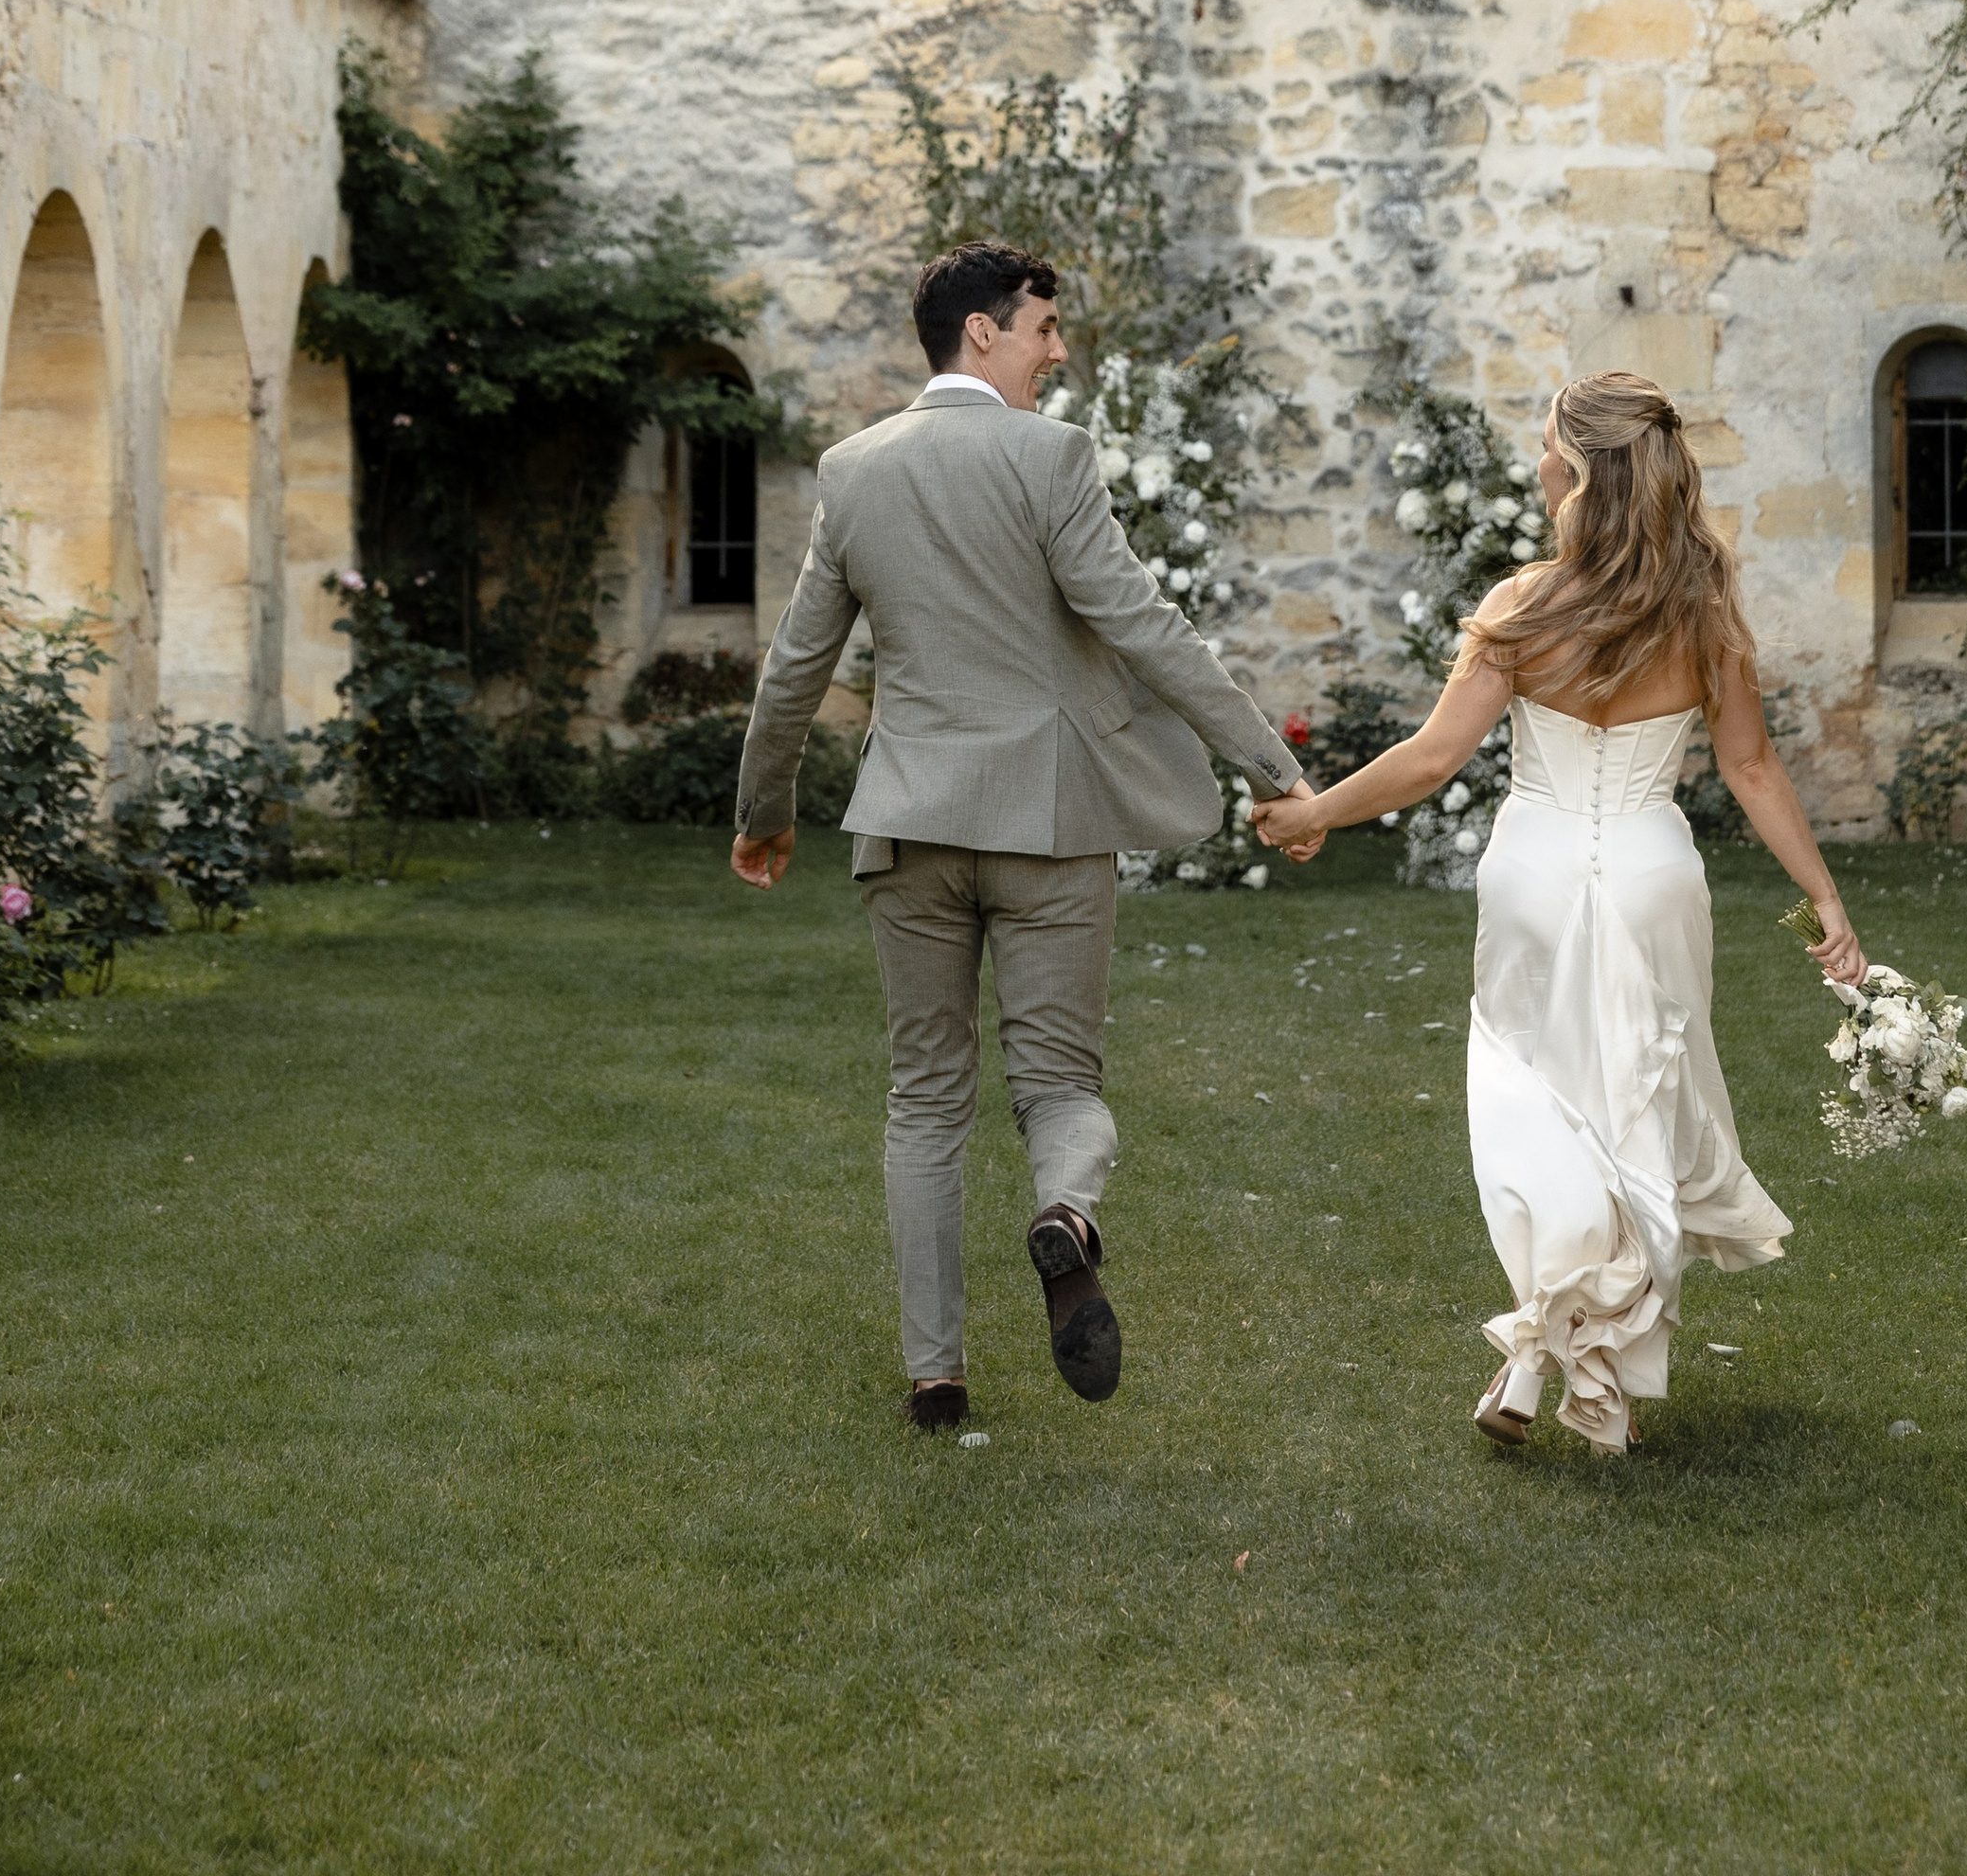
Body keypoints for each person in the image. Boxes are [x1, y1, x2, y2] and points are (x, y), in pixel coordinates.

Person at [731, 241, 1321, 1433]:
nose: (1059, 351)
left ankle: (935, 1376)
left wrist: (764, 812)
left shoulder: (853, 472)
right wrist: (1274, 769)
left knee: (925, 1100)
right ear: (981, 333)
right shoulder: (1050, 458)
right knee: (1058, 1083)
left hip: (905, 829)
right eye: (1045, 327)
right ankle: (1066, 1216)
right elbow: (1144, 627)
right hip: (1051, 827)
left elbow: (798, 664)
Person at [1257, 366, 1863, 1456]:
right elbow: (1753, 766)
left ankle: (1544, 1364)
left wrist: (1316, 813)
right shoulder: (1703, 606)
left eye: (1547, 445)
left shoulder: (1523, 605)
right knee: (1632, 1114)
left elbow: (1434, 758)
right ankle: (1575, 1375)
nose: (1536, 462)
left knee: (1543, 1125)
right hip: (1650, 878)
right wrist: (1823, 895)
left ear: (1577, 471)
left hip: (1532, 876)